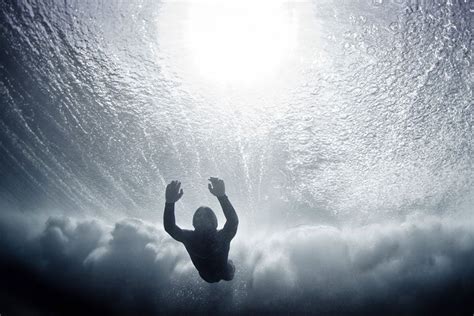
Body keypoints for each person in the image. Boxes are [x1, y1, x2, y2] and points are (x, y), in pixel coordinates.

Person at [163, 177, 239, 283]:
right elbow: (233, 221)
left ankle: (229, 266)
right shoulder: (221, 237)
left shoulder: (190, 238)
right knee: (227, 273)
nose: (204, 221)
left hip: (215, 274)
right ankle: (229, 266)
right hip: (216, 274)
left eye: (205, 219)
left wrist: (170, 203)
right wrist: (222, 196)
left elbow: (170, 227)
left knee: (228, 273)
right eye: (201, 219)